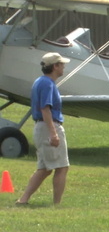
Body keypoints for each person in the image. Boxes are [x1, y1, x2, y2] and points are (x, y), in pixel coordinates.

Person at [16, 52, 71, 205]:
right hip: (49, 126)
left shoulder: (41, 81)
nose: (64, 67)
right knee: (62, 167)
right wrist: (54, 133)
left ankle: (23, 200)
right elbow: (45, 109)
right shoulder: (47, 84)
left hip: (42, 127)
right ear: (55, 66)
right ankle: (56, 204)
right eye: (61, 64)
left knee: (45, 168)